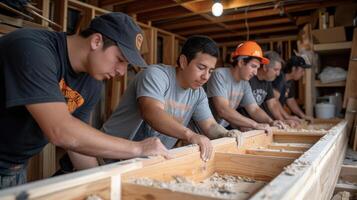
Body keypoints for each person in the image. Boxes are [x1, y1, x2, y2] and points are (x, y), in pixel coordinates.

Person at [0, 12, 170, 189]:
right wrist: (138, 149)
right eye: (120, 59)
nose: (121, 71)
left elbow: (76, 144)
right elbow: (61, 131)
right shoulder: (32, 49)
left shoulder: (92, 83)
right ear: (96, 41)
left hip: (15, 169)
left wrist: (105, 186)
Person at [70, 35, 241, 167]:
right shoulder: (156, 75)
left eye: (210, 71)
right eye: (201, 68)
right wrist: (190, 135)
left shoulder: (198, 94)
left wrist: (226, 134)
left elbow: (210, 125)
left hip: (145, 164)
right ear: (183, 61)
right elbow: (152, 112)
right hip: (107, 158)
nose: (206, 76)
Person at [207, 41, 281, 133]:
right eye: (253, 66)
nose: (255, 72)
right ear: (241, 62)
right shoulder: (219, 75)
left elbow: (254, 109)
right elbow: (223, 110)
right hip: (203, 130)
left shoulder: (244, 83)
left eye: (257, 68)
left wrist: (271, 122)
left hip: (219, 130)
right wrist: (255, 124)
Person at [237, 51, 300, 127]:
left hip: (257, 124)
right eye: (275, 69)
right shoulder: (248, 78)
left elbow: (272, 104)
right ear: (265, 67)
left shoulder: (267, 81)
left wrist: (282, 121)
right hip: (244, 124)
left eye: (279, 70)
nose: (278, 74)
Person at [272, 55, 313, 122]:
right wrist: (287, 117)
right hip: (270, 116)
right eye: (302, 70)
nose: (303, 74)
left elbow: (290, 100)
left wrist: (303, 116)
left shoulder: (290, 81)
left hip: (277, 116)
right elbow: (274, 101)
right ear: (293, 69)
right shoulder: (279, 78)